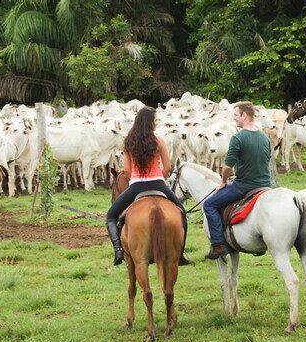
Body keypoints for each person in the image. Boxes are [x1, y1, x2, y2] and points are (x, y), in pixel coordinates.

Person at [104, 107, 192, 267]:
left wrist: (138, 178)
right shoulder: (159, 140)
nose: (157, 123)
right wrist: (158, 177)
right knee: (182, 213)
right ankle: (180, 254)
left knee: (111, 215)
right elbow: (167, 167)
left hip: (136, 186)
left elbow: (129, 172)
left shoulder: (128, 142)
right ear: (150, 122)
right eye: (156, 120)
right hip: (158, 184)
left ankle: (118, 251)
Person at [202, 101, 273, 260]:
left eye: (235, 115)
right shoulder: (264, 137)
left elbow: (227, 167)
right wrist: (241, 173)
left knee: (209, 204)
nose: (233, 119)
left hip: (245, 186)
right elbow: (262, 161)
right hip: (265, 185)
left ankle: (218, 244)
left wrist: (223, 182)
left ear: (244, 115)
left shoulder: (238, 137)